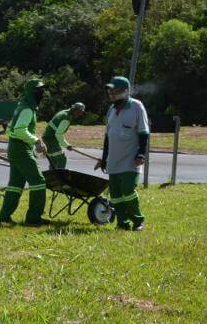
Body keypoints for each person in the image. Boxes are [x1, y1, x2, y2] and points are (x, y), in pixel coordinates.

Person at [95, 76, 149, 231]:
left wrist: (141, 154)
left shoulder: (137, 107)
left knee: (128, 190)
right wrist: (104, 159)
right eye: (110, 92)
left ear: (126, 92)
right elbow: (107, 137)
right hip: (113, 160)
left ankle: (138, 221)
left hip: (130, 160)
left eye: (116, 91)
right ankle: (122, 223)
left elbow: (144, 133)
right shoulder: (111, 110)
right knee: (116, 194)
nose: (112, 95)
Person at [0, 78, 50, 225]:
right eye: (39, 90)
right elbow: (20, 130)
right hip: (21, 149)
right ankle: (34, 218)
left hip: (15, 147)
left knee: (15, 184)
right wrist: (37, 141)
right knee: (38, 181)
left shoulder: (21, 106)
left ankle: (4, 217)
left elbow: (9, 129)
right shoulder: (27, 109)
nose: (42, 93)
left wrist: (30, 140)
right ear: (32, 92)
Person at [41, 102, 85, 169]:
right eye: (79, 112)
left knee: (53, 162)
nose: (80, 114)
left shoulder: (64, 112)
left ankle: (52, 177)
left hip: (47, 137)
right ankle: (60, 177)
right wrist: (66, 145)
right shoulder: (66, 118)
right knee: (61, 160)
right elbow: (58, 134)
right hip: (51, 139)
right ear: (75, 110)